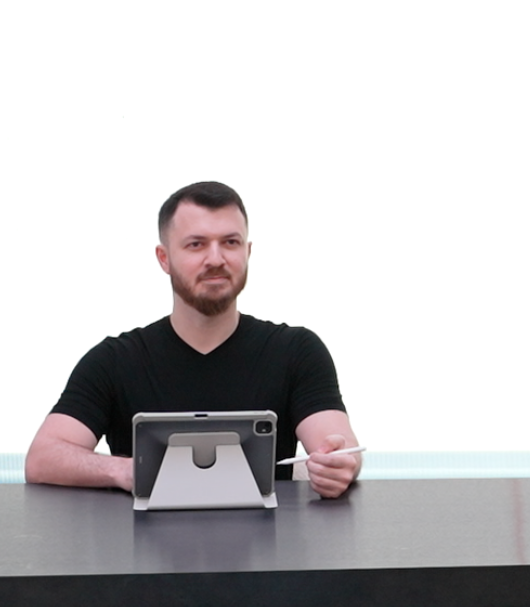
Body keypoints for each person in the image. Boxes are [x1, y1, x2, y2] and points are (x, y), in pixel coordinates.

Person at [25, 180, 362, 498]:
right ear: (164, 258)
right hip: (143, 541)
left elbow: (339, 448)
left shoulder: (296, 351)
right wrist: (124, 471)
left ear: (247, 252)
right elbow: (42, 459)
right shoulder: (114, 360)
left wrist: (338, 464)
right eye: (196, 244)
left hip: (267, 540)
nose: (215, 259)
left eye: (230, 242)